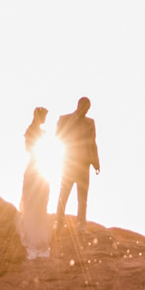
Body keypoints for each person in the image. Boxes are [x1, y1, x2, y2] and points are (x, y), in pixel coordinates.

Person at [54, 96, 99, 225]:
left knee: (83, 199)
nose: (87, 111)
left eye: (89, 109)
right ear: (80, 105)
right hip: (69, 163)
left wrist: (96, 162)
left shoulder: (90, 123)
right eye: (86, 108)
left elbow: (93, 143)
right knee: (64, 195)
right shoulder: (65, 119)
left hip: (84, 165)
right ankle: (59, 222)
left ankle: (81, 226)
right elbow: (58, 136)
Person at [18, 107, 52, 260]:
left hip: (40, 167)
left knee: (41, 204)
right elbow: (29, 148)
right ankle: (32, 245)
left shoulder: (41, 132)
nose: (45, 119)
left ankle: (40, 246)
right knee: (32, 203)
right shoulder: (31, 130)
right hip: (34, 167)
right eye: (44, 116)